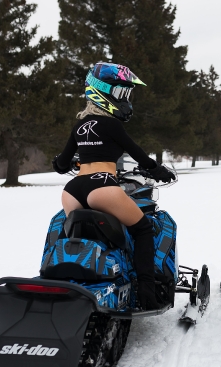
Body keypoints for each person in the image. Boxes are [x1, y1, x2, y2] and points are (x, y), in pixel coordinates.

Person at [52, 61, 175, 310]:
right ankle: (147, 294)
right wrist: (158, 170)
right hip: (103, 186)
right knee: (143, 229)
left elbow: (62, 164)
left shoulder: (78, 126)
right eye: (120, 93)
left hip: (73, 191)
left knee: (75, 233)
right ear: (102, 92)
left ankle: (63, 280)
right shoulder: (112, 125)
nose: (124, 98)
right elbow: (139, 155)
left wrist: (61, 162)